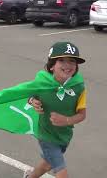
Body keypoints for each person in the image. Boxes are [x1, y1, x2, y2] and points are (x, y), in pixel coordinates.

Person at [23, 42, 87, 178]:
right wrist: (33, 102)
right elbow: (29, 96)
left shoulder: (79, 87)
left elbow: (82, 115)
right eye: (61, 60)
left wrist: (67, 120)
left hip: (64, 135)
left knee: (48, 163)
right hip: (46, 135)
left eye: (72, 61)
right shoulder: (42, 83)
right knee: (61, 172)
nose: (67, 65)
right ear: (52, 65)